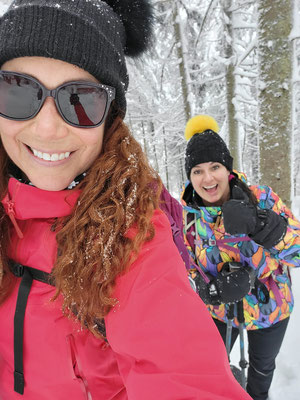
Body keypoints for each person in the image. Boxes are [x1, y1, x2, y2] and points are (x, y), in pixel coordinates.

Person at [0, 1, 252, 399]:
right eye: (17, 91)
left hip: (262, 312)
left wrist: (262, 240)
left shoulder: (130, 230)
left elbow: (182, 371)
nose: (47, 128)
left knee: (263, 367)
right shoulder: (185, 206)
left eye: (80, 100)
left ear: (110, 118)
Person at [181, 114, 300, 400]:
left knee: (261, 371)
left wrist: (261, 224)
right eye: (197, 171)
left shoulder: (260, 198)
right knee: (210, 368)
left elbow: (297, 253)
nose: (208, 178)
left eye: (215, 167)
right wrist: (208, 291)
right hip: (220, 311)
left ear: (228, 169)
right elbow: (189, 268)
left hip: (270, 310)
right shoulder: (190, 219)